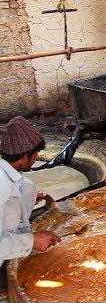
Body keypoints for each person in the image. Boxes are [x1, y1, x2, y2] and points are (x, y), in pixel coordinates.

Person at [1, 116, 61, 293]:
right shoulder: (2, 186)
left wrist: (28, 198)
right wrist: (32, 241)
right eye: (35, 155)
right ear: (25, 156)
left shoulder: (10, 180)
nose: (36, 158)